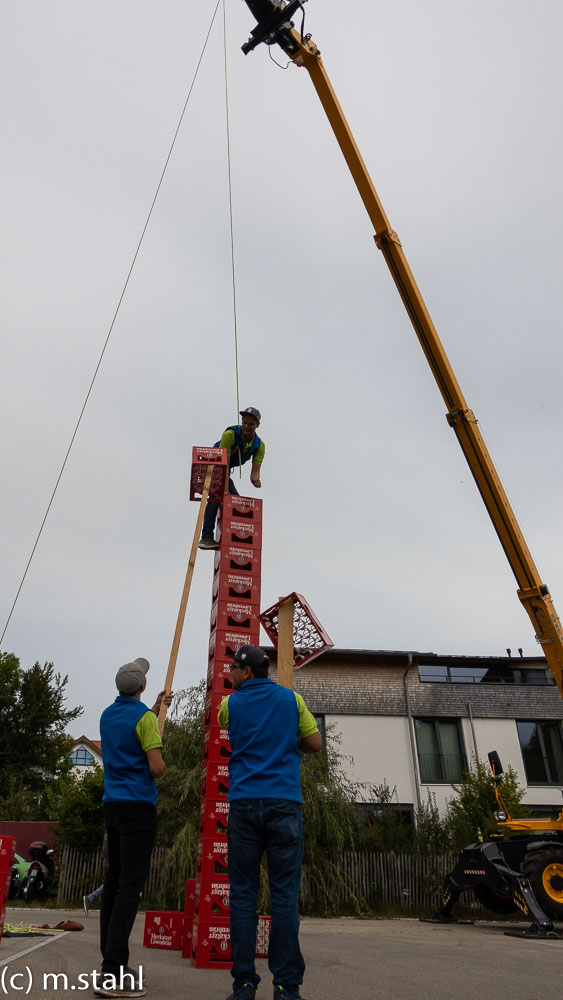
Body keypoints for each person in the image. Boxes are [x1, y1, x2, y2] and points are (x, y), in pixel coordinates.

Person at [217, 645, 322, 1000]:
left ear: (247, 672)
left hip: (245, 804)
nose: (229, 673)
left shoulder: (230, 705)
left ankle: (245, 984)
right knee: (284, 899)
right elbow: (315, 743)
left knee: (244, 896)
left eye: (233, 668)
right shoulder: (293, 701)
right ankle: (286, 988)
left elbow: (227, 726)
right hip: (284, 804)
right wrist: (287, 741)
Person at [95, 658, 171, 999]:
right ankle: (113, 971)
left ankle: (109, 962)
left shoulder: (108, 715)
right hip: (139, 805)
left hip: (113, 806)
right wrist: (162, 760)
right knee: (130, 887)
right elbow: (156, 768)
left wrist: (155, 708)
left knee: (113, 883)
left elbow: (133, 729)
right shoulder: (144, 721)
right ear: (141, 686)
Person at [198, 407, 265, 550]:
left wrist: (256, 480)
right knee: (218, 494)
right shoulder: (230, 435)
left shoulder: (259, 445)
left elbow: (255, 472)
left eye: (251, 424)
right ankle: (206, 537)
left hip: (224, 470)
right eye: (244, 422)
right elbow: (224, 465)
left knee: (236, 502)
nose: (246, 426)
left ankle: (235, 539)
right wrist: (225, 489)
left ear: (257, 425)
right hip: (214, 465)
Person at [83, 832, 109, 915]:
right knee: (115, 881)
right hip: (112, 857)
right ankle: (91, 897)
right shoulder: (114, 826)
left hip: (109, 856)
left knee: (116, 881)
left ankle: (91, 898)